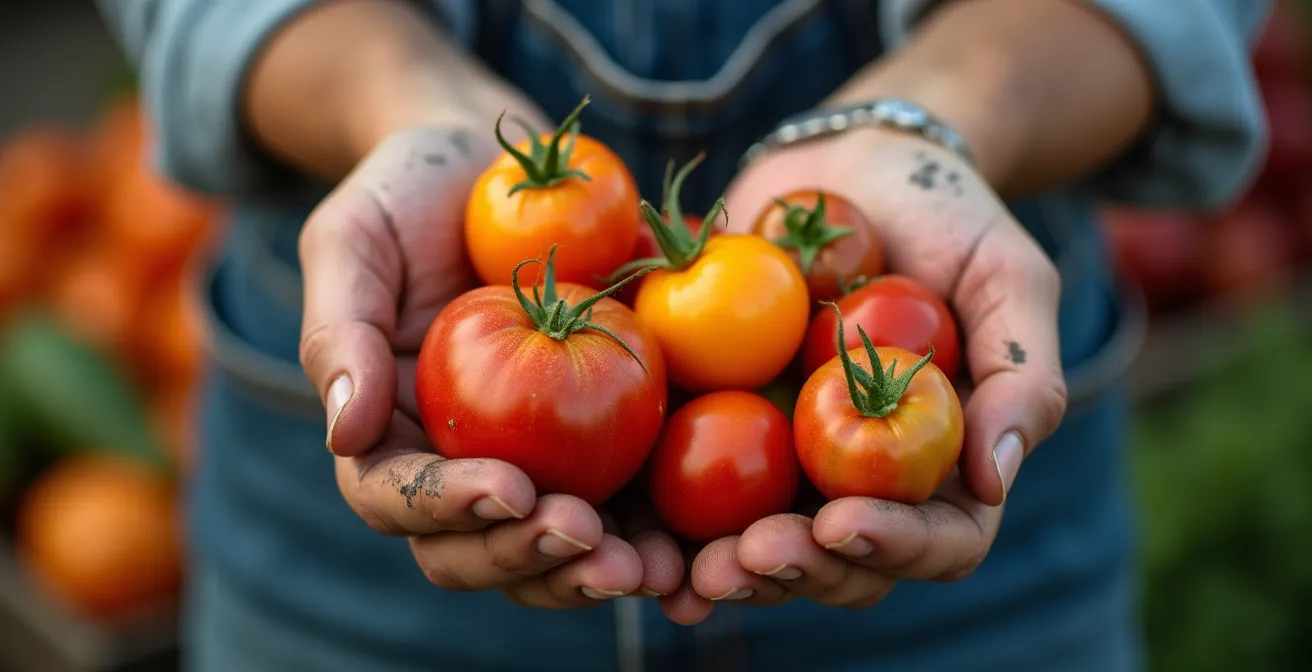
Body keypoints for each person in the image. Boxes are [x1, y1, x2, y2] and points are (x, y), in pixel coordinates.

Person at [96, 1, 1269, 670]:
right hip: (350, 574)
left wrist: (946, 117)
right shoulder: (626, 312)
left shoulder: (773, 330)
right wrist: (390, 98)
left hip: (978, 579)